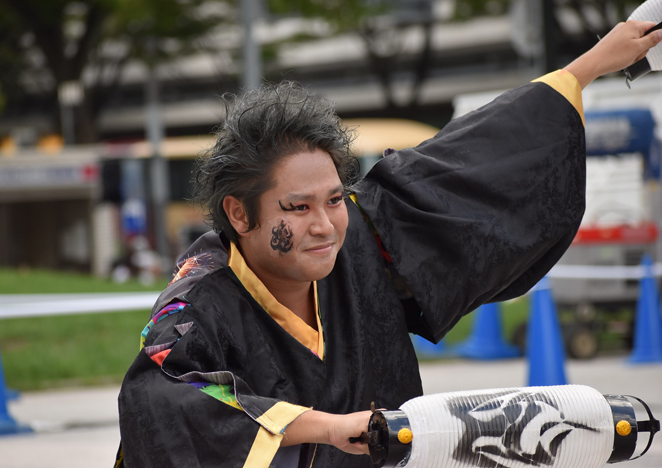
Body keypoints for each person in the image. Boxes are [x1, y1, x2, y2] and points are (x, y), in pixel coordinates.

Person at [116, 21, 662, 468]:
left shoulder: (359, 232)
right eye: (297, 207)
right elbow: (164, 400)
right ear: (239, 213)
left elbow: (466, 158)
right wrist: (326, 428)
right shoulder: (199, 296)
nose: (325, 225)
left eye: (333, 199)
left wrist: (587, 67)